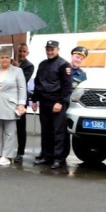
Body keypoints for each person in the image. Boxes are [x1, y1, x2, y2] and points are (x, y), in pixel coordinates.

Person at [0, 49, 27, 166]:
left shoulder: (17, 71)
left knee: (9, 132)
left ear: (10, 58)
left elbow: (22, 89)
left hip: (10, 105)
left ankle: (7, 155)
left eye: (7, 57)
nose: (5, 60)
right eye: (2, 57)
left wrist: (21, 104)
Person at [33, 40, 72, 169]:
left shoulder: (63, 65)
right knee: (46, 131)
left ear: (57, 49)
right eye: (48, 49)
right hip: (44, 102)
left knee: (58, 132)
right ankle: (47, 156)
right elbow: (38, 83)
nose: (50, 52)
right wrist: (34, 100)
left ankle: (58, 158)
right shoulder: (42, 64)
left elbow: (67, 87)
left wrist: (60, 102)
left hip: (56, 102)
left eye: (52, 49)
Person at [14, 43, 35, 162]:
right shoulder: (10, 62)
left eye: (24, 51)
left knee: (21, 127)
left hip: (21, 100)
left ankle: (20, 152)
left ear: (27, 53)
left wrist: (17, 69)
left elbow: (23, 81)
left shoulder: (29, 66)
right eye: (20, 51)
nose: (21, 53)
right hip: (9, 99)